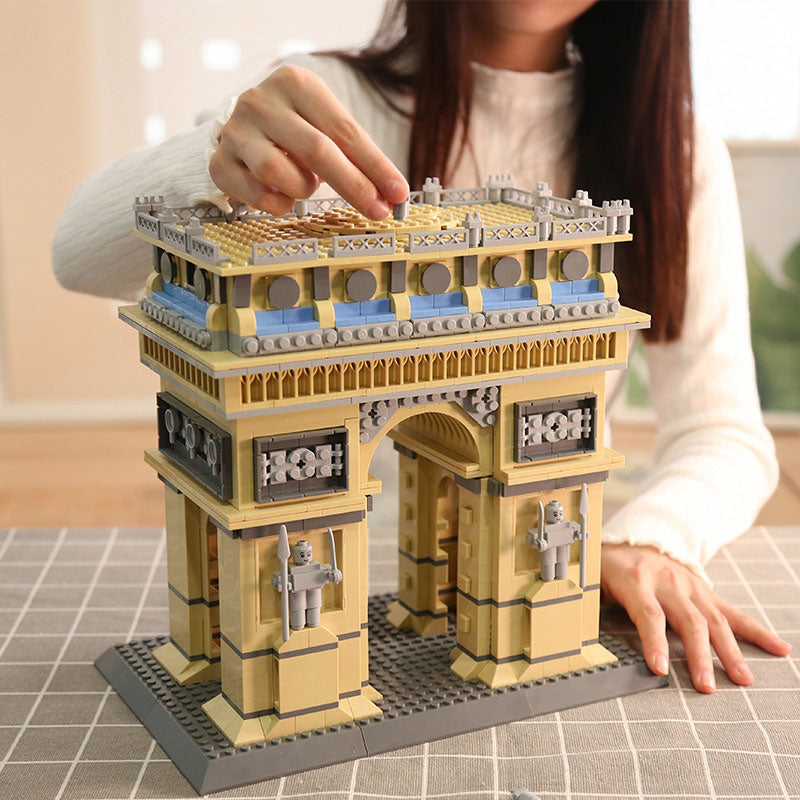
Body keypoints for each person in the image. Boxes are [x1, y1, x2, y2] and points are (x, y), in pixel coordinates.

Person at [52, 0, 791, 692]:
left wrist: (652, 537)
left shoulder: (673, 151)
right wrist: (212, 157)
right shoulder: (320, 107)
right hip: (355, 571)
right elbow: (77, 257)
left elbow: (724, 433)